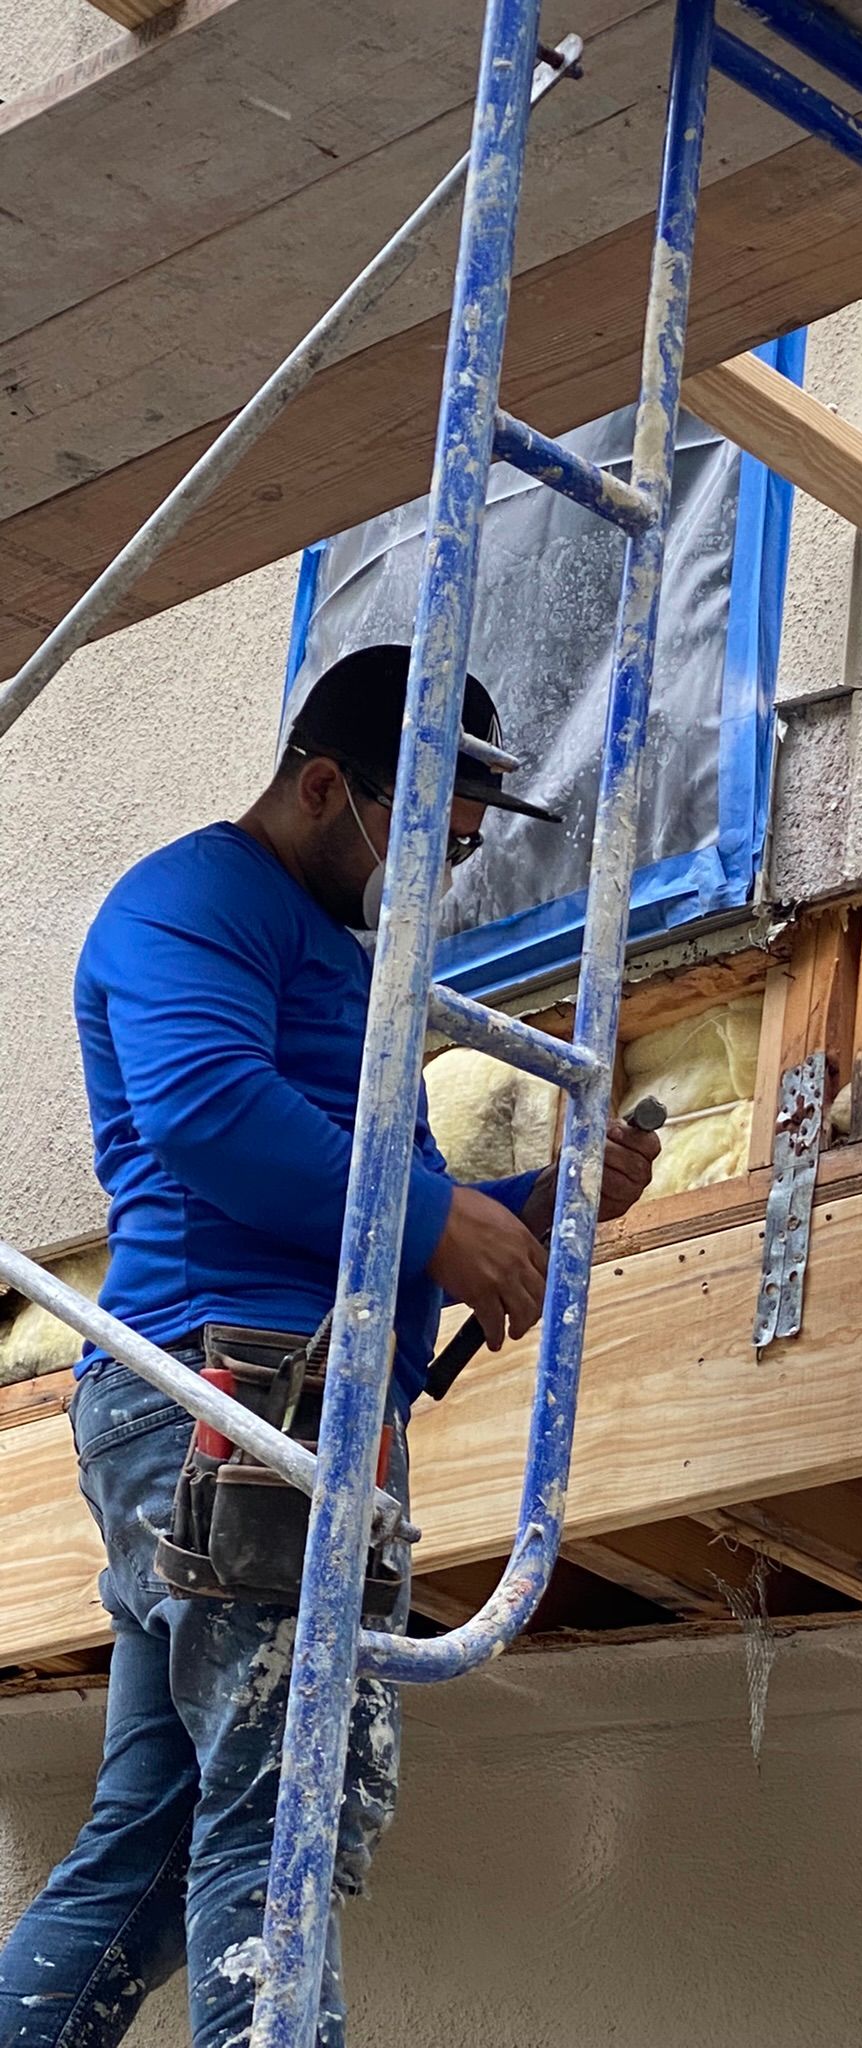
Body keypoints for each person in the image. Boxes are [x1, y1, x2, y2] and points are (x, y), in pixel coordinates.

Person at [0, 644, 659, 2048]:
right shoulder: (193, 902)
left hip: (231, 1411)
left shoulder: (325, 955)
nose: (428, 879)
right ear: (321, 787)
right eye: (418, 838)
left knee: (155, 1854)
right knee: (278, 1823)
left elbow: (365, 1191)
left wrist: (537, 1209)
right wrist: (440, 1229)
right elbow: (208, 1113)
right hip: (235, 1402)